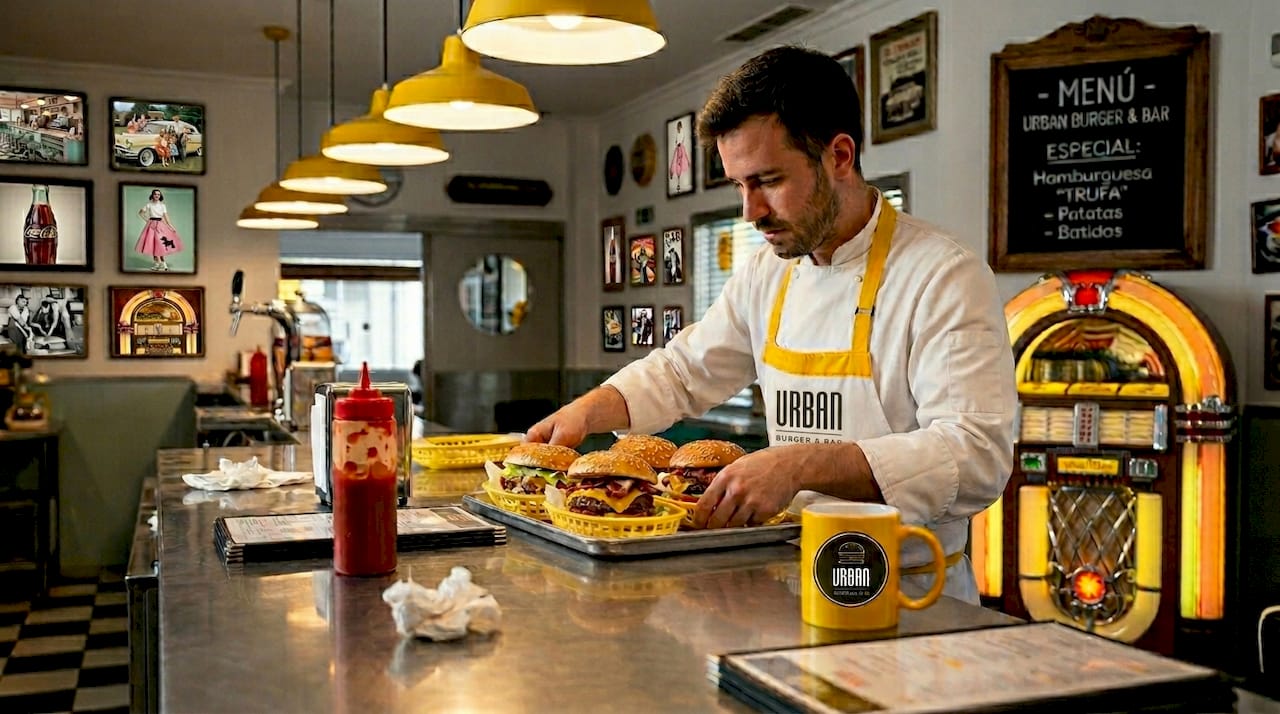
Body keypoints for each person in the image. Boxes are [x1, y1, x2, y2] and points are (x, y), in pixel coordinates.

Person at [526, 46, 1016, 603]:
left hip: (909, 598)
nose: (750, 211)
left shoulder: (942, 274)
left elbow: (976, 455)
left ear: (839, 155)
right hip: (788, 582)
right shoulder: (767, 270)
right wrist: (585, 411)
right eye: (739, 185)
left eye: (769, 180)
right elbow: (685, 371)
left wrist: (799, 463)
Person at [134, 189, 184, 271]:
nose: (157, 196)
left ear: (160, 196)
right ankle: (157, 264)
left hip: (160, 225)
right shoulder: (149, 205)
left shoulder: (162, 206)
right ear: (152, 195)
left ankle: (163, 263)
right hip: (151, 225)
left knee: (160, 244)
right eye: (155, 194)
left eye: (158, 194)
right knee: (153, 244)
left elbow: (166, 217)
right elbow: (141, 213)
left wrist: (171, 226)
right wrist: (147, 220)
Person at [668, 120, 691, 193]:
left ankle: (679, 183)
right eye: (679, 126)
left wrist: (679, 144)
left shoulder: (681, 132)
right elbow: (677, 140)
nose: (679, 127)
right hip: (678, 148)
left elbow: (680, 139)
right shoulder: (678, 133)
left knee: (680, 163)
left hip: (680, 148)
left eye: (679, 126)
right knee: (676, 163)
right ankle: (677, 181)